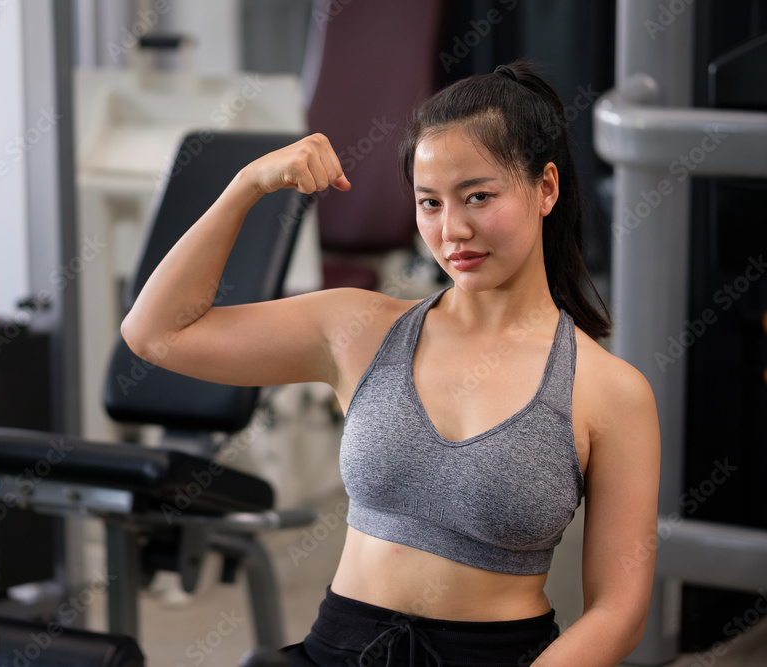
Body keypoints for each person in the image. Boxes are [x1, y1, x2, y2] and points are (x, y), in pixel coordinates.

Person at [121, 60, 660, 667]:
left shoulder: (610, 391)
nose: (452, 230)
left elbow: (620, 610)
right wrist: (247, 186)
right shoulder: (359, 330)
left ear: (546, 188)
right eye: (429, 203)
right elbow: (155, 333)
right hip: (336, 649)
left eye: (478, 196)